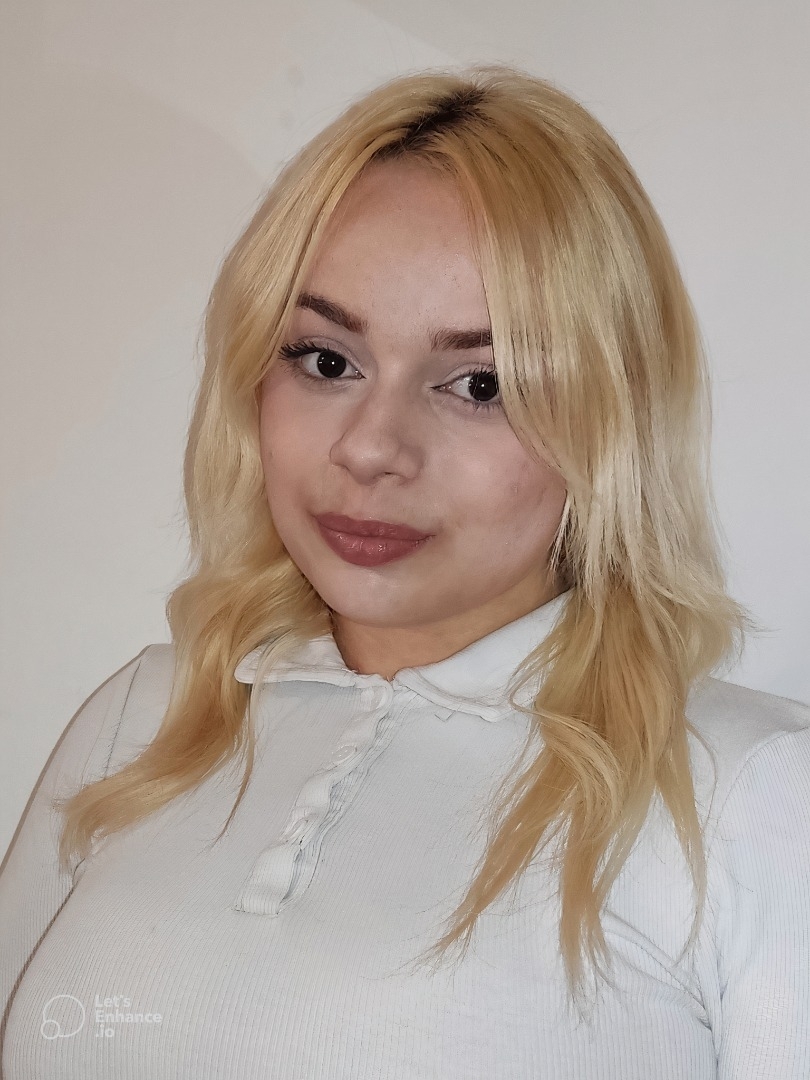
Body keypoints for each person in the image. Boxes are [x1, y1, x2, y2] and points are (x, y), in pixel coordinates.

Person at [1, 63, 808, 1080]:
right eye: (326, 361)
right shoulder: (146, 718)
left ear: (611, 418)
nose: (372, 448)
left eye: (480, 384)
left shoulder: (749, 794)